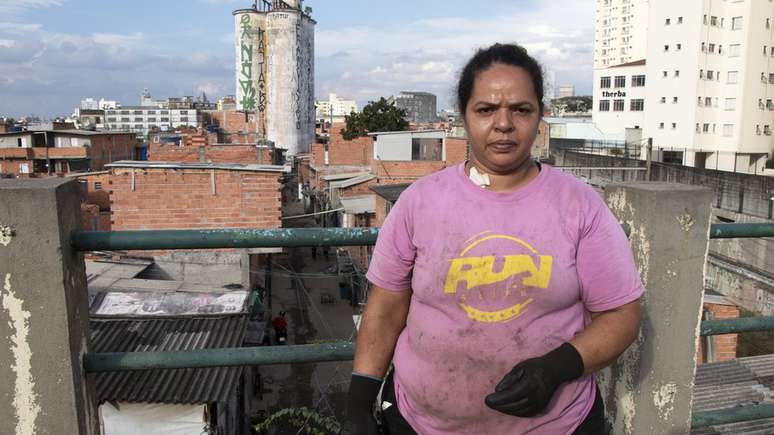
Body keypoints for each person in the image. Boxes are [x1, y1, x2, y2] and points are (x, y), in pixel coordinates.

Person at [345, 43, 644, 435]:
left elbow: (622, 315)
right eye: (486, 109)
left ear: (541, 116)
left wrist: (558, 367)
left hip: (556, 425)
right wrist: (358, 404)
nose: (504, 124)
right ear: (463, 117)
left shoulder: (579, 205)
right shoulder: (419, 202)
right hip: (421, 424)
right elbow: (384, 311)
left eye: (521, 109)